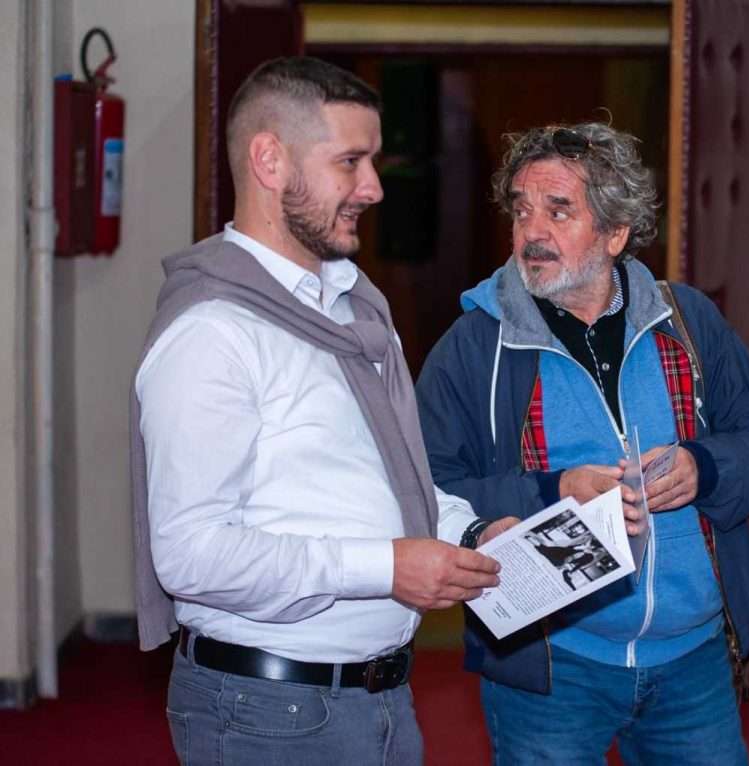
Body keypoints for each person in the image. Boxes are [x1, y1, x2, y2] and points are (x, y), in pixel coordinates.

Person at [131, 57, 514, 765]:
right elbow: (190, 555)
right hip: (267, 713)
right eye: (349, 161)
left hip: (381, 698)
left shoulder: (351, 306)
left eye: (372, 161)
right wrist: (384, 568)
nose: (373, 187)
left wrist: (473, 532)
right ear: (269, 160)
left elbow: (383, 479)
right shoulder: (213, 333)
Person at [415, 122, 749, 764]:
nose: (532, 232)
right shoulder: (475, 345)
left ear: (616, 233)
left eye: (558, 210)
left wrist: (703, 468)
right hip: (552, 662)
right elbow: (424, 491)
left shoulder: (687, 322)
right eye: (521, 210)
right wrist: (554, 491)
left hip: (694, 661)